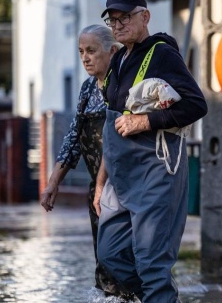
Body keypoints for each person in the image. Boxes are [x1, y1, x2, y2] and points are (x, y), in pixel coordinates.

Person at [94, 0, 207, 301]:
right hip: (121, 176)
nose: (118, 25)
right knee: (110, 254)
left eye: (125, 18)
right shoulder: (118, 61)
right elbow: (112, 129)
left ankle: (159, 293)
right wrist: (101, 183)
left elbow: (197, 105)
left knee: (151, 263)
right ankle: (157, 296)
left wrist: (145, 121)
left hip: (157, 172)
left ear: (144, 16)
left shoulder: (163, 54)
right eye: (112, 20)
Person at [39, 24, 131, 298]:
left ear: (112, 51)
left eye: (91, 51)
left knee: (123, 258)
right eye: (81, 52)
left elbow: (116, 142)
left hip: (125, 189)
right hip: (98, 193)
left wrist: (103, 186)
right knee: (103, 264)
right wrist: (53, 182)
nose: (85, 58)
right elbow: (73, 138)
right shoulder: (87, 88)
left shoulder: (124, 86)